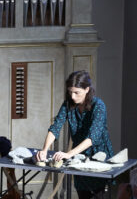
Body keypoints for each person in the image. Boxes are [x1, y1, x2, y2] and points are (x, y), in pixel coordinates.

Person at [36, 70, 114, 199]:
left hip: (99, 157)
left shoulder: (99, 106)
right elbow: (55, 127)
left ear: (87, 89)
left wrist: (68, 154)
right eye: (70, 92)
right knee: (83, 194)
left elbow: (92, 138)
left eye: (76, 92)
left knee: (98, 194)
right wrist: (44, 150)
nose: (72, 96)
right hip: (79, 157)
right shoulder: (68, 104)